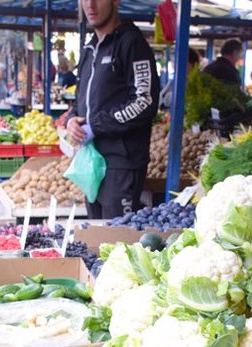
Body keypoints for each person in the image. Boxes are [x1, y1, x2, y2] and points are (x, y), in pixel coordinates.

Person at [66, 0, 158, 219]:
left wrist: (96, 126)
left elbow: (144, 101)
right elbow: (81, 101)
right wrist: (71, 120)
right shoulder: (90, 49)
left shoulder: (131, 44)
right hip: (91, 161)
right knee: (96, 237)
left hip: (121, 163)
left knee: (116, 240)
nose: (90, 5)